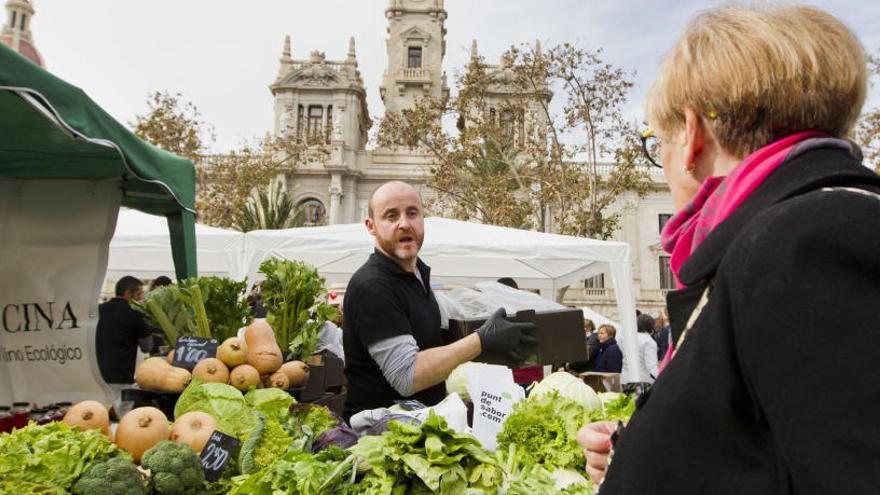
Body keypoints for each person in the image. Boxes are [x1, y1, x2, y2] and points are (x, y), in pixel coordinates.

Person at [578, 5, 880, 493]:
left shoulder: (810, 239)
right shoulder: (775, 239)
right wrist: (636, 453)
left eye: (658, 140)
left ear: (692, 135)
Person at [342, 181, 538, 420]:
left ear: (423, 219)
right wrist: (482, 340)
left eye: (412, 213)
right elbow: (408, 375)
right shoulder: (372, 285)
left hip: (422, 428)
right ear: (371, 226)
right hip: (381, 439)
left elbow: (430, 347)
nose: (404, 224)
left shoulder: (416, 276)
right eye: (391, 216)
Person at [95, 276, 156, 415]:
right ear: (128, 293)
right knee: (121, 416)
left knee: (98, 414)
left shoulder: (98, 310)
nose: (140, 298)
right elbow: (147, 346)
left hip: (96, 372)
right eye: (139, 294)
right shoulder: (135, 313)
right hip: (121, 373)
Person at [634, 313, 659, 384]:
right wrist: (660, 379)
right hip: (644, 381)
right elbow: (651, 366)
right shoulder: (649, 342)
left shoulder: (630, 338)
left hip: (627, 378)